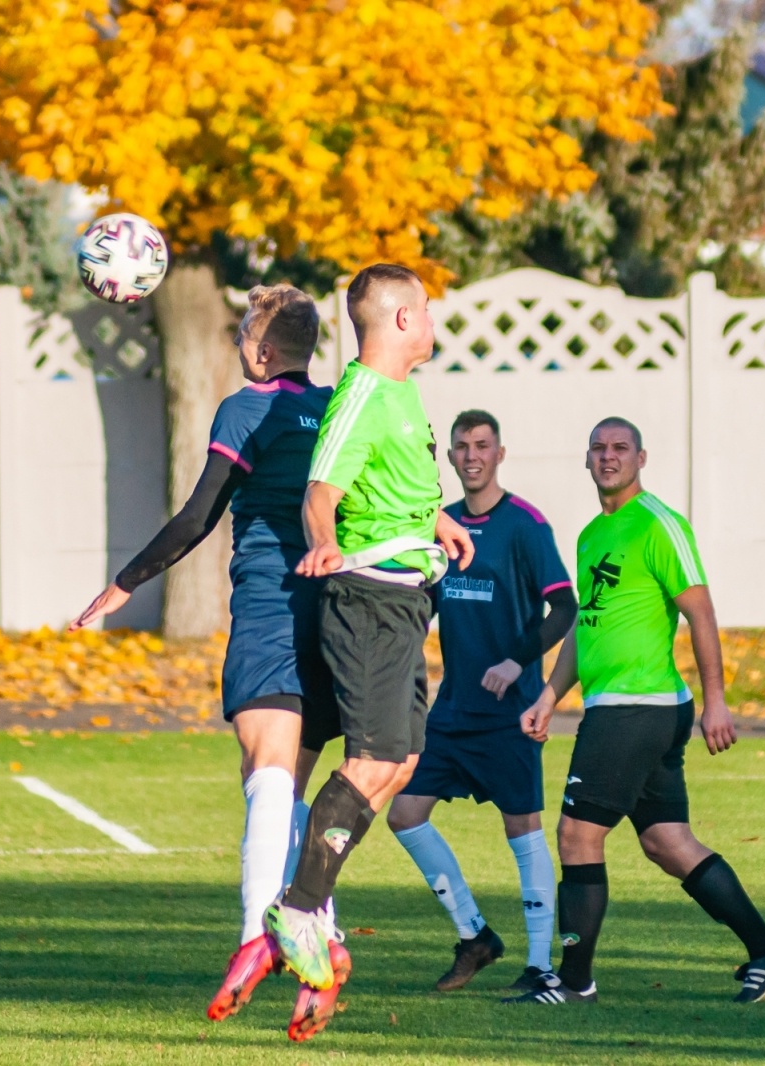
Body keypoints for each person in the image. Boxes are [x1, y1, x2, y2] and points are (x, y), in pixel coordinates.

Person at [69, 284, 349, 1041]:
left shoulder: (246, 408)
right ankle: (322, 941)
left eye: (241, 343)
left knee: (267, 773)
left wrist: (123, 584)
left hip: (271, 603)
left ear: (261, 352)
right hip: (341, 611)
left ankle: (261, 932)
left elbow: (200, 515)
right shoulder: (338, 406)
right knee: (297, 789)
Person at [512, 416, 765, 1006]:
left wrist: (717, 701)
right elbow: (586, 630)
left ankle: (573, 983)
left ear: (641, 458)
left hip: (634, 710)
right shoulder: (594, 534)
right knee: (667, 841)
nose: (609, 456)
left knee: (575, 836)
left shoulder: (659, 525)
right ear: (586, 459)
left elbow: (701, 612)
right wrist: (548, 695)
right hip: (626, 708)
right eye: (599, 448)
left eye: (620, 448)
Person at [264, 263, 475, 1007]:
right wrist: (321, 540)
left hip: (407, 604)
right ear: (401, 321)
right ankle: (299, 907)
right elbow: (322, 490)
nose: (432, 318)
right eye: (425, 307)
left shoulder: (403, 394)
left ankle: (309, 905)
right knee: (373, 758)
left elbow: (397, 486)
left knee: (402, 760)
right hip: (367, 602)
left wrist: (438, 521)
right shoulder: (360, 395)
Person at [385, 409, 575, 998]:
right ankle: (475, 936)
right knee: (404, 814)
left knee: (523, 831)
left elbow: (565, 608)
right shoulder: (440, 529)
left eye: (482, 446)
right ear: (449, 458)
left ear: (499, 453)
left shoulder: (525, 525)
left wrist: (518, 661)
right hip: (452, 712)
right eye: (461, 446)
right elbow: (423, 604)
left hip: (511, 713)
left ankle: (540, 964)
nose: (471, 456)